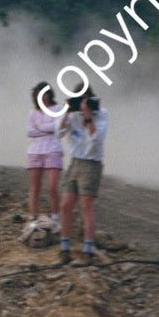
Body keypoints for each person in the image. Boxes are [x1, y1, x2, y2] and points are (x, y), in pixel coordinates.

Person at [57, 85, 109, 265]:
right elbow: (58, 132)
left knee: (86, 205)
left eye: (85, 99)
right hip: (75, 161)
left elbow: (96, 140)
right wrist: (67, 111)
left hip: (91, 162)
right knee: (65, 205)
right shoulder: (72, 114)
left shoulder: (101, 114)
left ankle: (88, 251)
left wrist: (88, 116)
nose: (83, 103)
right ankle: (64, 248)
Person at [25, 82, 63, 227]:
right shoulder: (32, 112)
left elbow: (57, 127)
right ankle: (33, 216)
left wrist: (40, 127)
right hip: (35, 151)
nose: (42, 98)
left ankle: (55, 216)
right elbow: (30, 132)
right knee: (35, 187)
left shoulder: (57, 109)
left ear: (49, 94)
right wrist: (47, 129)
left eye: (44, 94)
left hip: (53, 149)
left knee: (52, 186)